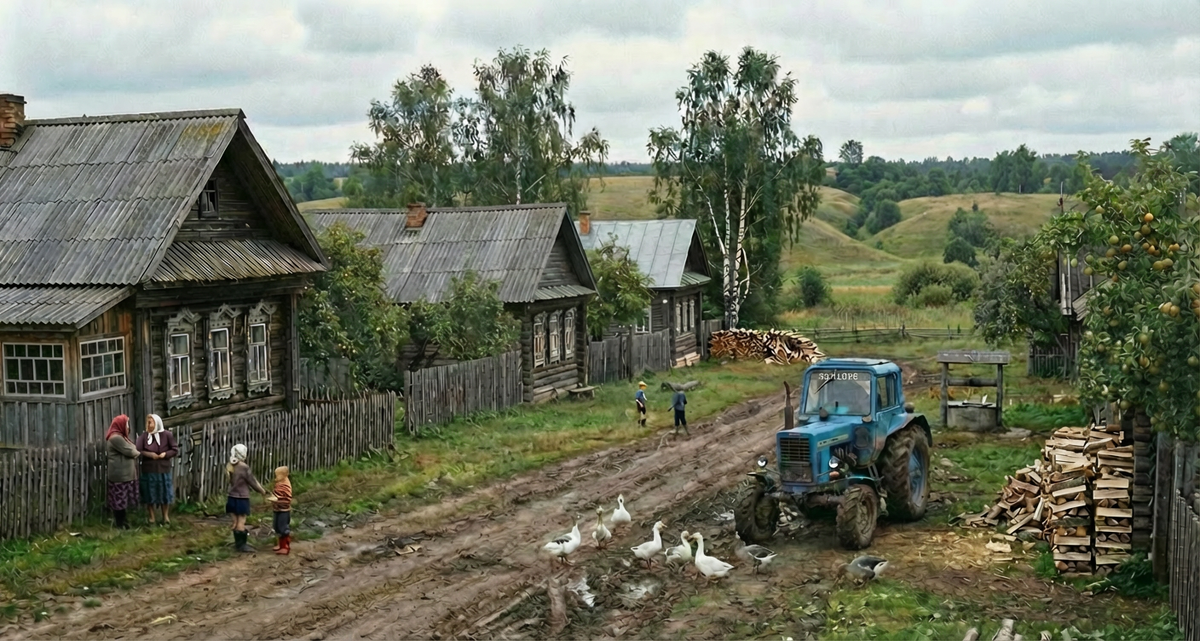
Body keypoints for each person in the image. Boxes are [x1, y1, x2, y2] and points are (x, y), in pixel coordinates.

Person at [136, 413, 178, 526]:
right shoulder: (144, 436)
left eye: (150, 422)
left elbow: (174, 449)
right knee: (150, 493)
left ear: (157, 423)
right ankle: (152, 517)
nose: (148, 425)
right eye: (147, 422)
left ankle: (165, 516)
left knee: (164, 493)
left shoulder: (167, 435)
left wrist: (165, 454)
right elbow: (138, 450)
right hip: (149, 470)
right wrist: (150, 455)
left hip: (163, 469)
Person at [226, 444, 269, 553]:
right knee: (241, 522)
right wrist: (262, 491)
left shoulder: (229, 465)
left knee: (235, 522)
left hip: (231, 497)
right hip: (241, 498)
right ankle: (242, 546)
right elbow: (252, 482)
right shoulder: (244, 467)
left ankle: (237, 544)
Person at [104, 415, 140, 529]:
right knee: (119, 501)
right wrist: (136, 451)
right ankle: (120, 524)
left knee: (122, 501)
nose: (128, 427)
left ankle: (123, 522)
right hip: (120, 476)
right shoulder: (116, 438)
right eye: (127, 424)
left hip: (125, 475)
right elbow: (132, 451)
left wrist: (134, 449)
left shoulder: (122, 437)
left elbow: (133, 447)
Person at [268, 466, 293, 555]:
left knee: (283, 528)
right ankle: (280, 544)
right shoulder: (280, 483)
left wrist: (275, 499)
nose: (276, 477)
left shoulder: (285, 484)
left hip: (284, 510)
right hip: (277, 509)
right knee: (277, 526)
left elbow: (286, 497)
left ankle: (285, 547)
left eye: (277, 475)